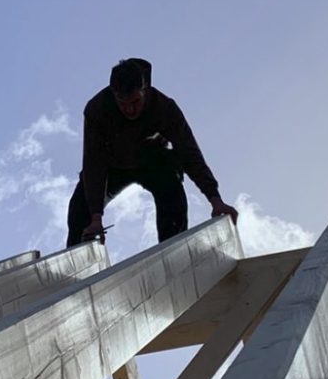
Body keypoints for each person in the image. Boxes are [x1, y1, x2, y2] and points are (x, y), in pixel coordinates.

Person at [66, 57, 239, 247]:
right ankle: (77, 253)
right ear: (113, 94)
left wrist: (215, 199)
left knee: (171, 189)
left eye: (135, 102)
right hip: (112, 166)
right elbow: (93, 161)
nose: (129, 109)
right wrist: (96, 216)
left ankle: (172, 246)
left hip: (152, 162)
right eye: (122, 103)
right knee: (80, 211)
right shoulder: (97, 109)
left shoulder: (164, 108)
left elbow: (189, 152)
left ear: (145, 90)